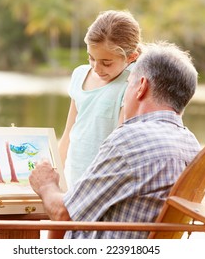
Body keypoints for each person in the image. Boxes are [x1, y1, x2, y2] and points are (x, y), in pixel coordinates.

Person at [29, 41, 201, 239]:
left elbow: (63, 213)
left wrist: (46, 184)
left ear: (141, 87)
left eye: (128, 84)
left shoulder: (129, 140)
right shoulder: (191, 144)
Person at [59, 10, 142, 188]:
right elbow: (68, 131)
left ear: (131, 57)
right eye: (91, 58)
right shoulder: (79, 75)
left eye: (106, 62)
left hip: (104, 182)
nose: (96, 67)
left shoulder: (129, 85)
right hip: (74, 176)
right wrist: (57, 170)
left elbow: (118, 147)